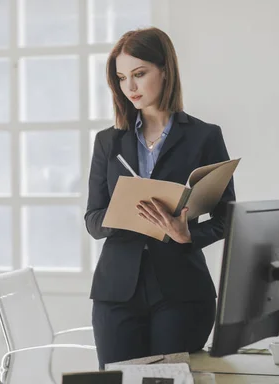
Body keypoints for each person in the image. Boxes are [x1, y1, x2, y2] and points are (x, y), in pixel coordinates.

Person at [85, 27, 236, 368]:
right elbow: (93, 219)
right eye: (122, 78)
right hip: (116, 294)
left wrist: (188, 235)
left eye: (139, 74)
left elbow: (228, 218)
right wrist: (124, 214)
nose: (131, 87)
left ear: (165, 70)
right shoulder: (108, 141)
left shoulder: (204, 136)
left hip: (182, 292)